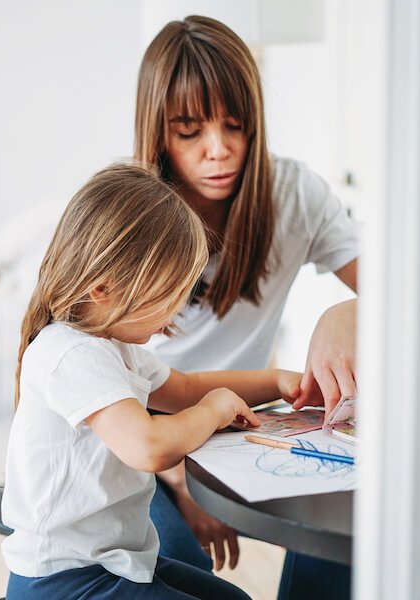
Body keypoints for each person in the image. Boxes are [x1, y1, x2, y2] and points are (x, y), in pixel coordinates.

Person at [2, 163, 313, 600]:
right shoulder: (70, 354)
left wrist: (277, 381)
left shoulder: (116, 349)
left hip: (113, 563)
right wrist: (214, 411)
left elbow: (187, 387)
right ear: (103, 288)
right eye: (169, 293)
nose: (176, 310)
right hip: (64, 581)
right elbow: (148, 446)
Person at [134, 15, 360, 599]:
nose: (219, 150)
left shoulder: (293, 195)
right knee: (178, 569)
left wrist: (344, 314)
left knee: (344, 535)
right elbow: (97, 376)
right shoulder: (131, 215)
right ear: (159, 134)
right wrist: (182, 480)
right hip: (134, 434)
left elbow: (404, 292)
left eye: (235, 124)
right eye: (190, 132)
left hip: (240, 415)